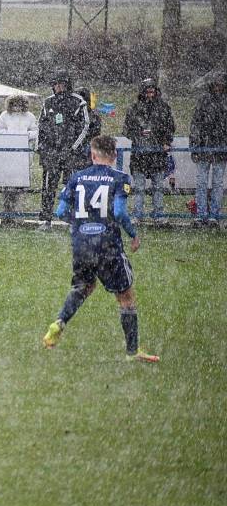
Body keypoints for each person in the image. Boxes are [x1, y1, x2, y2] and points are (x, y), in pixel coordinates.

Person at [41, 135, 158, 363]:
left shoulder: (76, 177)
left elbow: (60, 212)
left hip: (82, 245)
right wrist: (133, 235)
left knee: (83, 287)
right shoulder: (119, 178)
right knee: (126, 297)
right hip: (108, 246)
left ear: (93, 155)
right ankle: (132, 352)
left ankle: (59, 322)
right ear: (114, 156)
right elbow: (120, 212)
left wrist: (81, 224)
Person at [36, 69, 91, 230]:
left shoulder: (78, 101)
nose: (58, 87)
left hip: (71, 154)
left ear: (67, 85)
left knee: (73, 187)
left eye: (61, 84)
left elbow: (85, 125)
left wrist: (73, 147)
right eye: (56, 84)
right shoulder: (48, 102)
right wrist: (42, 147)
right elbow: (42, 125)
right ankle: (45, 220)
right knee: (48, 187)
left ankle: (75, 220)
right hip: (52, 153)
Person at [122, 78, 175, 221]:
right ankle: (138, 214)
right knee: (139, 187)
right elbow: (126, 130)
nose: (150, 94)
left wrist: (166, 141)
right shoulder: (134, 108)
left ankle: (158, 214)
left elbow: (170, 128)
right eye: (147, 91)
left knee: (158, 186)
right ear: (143, 92)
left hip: (157, 153)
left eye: (152, 91)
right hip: (140, 153)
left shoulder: (163, 108)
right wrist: (139, 134)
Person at [190, 71, 227, 226]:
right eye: (217, 83)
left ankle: (214, 215)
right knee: (202, 183)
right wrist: (195, 146)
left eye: (221, 83)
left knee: (218, 183)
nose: (219, 86)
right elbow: (195, 124)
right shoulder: (204, 101)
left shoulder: (224, 101)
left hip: (220, 149)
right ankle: (201, 215)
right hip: (204, 148)